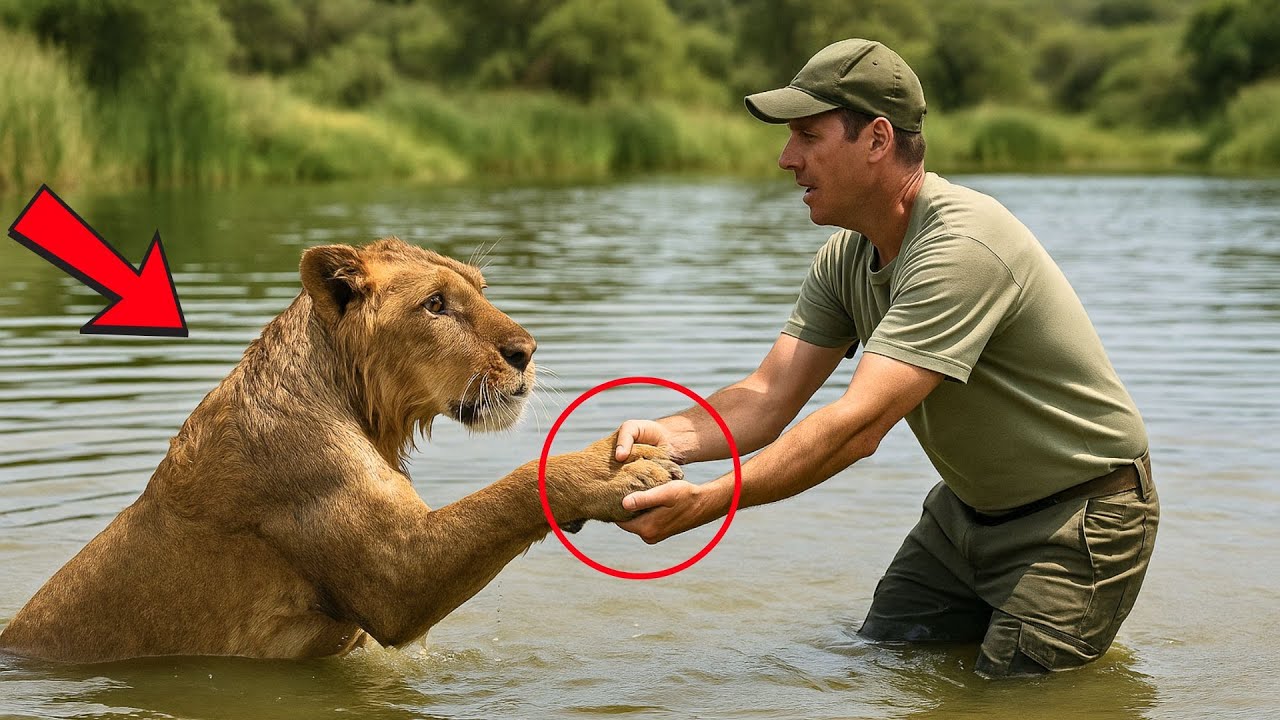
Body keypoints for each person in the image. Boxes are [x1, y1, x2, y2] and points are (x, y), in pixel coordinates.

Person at [611, 39, 1158, 678]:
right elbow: (768, 395)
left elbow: (858, 427)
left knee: (1013, 697)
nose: (787, 160)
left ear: (876, 140)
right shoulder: (848, 256)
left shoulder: (961, 247)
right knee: (888, 665)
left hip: (1080, 517)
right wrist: (667, 438)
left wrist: (710, 501)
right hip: (962, 515)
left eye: (807, 136)